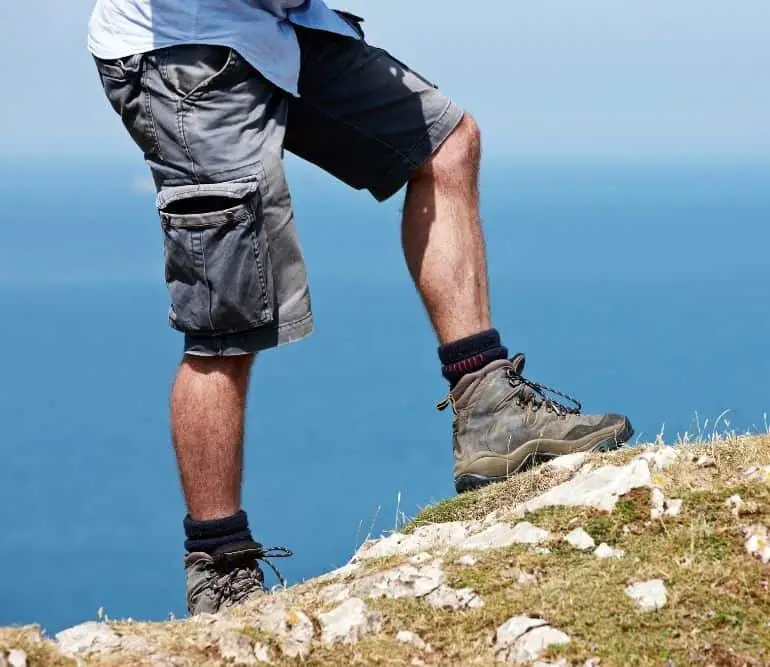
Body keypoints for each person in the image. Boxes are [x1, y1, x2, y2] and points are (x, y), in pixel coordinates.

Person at [88, 0, 634, 616]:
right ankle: (220, 569)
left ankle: (489, 410)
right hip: (187, 57)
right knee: (230, 322)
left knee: (446, 145)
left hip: (279, 29)